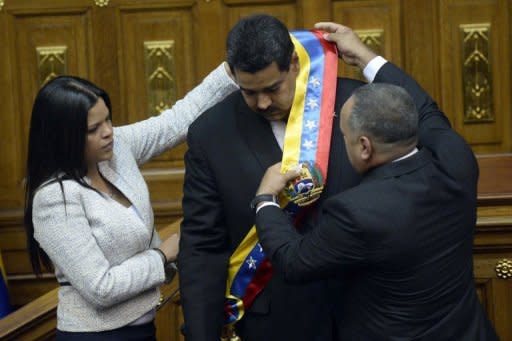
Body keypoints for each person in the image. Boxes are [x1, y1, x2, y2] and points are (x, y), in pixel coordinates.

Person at [254, 22, 498, 340]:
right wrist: (365, 57)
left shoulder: (356, 212)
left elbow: (293, 262)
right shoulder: (456, 160)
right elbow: (425, 109)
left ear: (365, 146)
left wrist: (266, 200)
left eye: (344, 135)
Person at [179, 14, 368, 341]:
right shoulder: (210, 134)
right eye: (249, 92)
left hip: (361, 311)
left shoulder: (358, 105)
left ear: (293, 63)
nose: (262, 102)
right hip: (273, 321)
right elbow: (202, 245)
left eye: (272, 88)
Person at [23, 63, 237, 340]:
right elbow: (101, 288)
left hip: (142, 328)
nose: (108, 131)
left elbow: (176, 121)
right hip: (95, 336)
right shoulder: (54, 198)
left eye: (108, 120)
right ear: (62, 137)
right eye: (93, 128)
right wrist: (162, 255)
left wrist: (234, 68)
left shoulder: (117, 148)